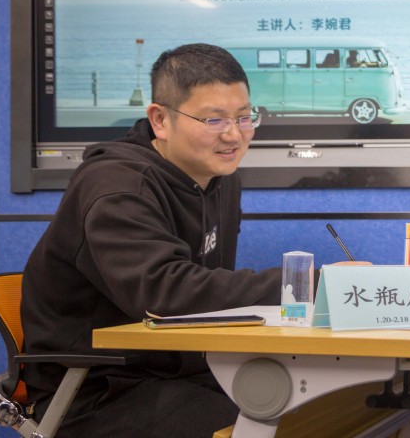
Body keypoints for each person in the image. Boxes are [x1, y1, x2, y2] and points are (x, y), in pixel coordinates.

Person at [21, 43, 283, 437]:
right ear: (160, 120)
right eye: (213, 120)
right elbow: (165, 295)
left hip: (182, 368)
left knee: (316, 410)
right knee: (267, 429)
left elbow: (207, 299)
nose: (234, 135)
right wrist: (299, 285)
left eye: (245, 117)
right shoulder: (116, 186)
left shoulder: (221, 180)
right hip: (96, 388)